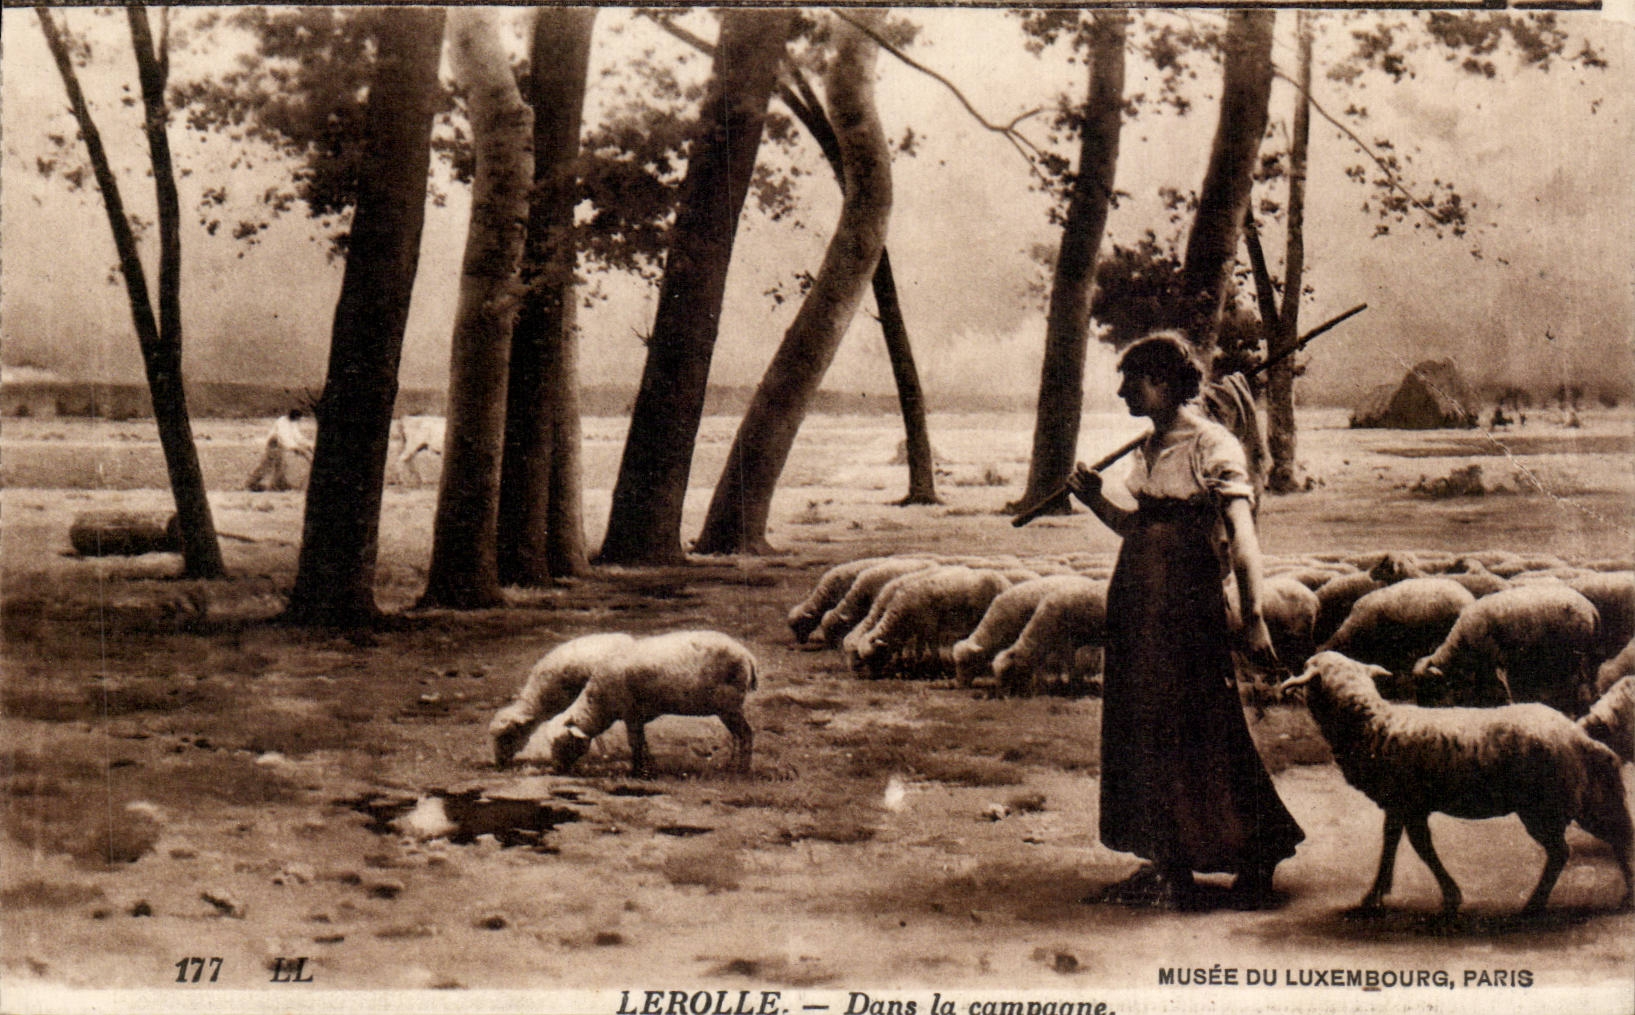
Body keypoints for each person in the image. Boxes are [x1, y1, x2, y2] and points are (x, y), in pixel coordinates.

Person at [1066, 332, 1304, 911]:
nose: (1122, 391)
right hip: (1137, 606)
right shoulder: (1148, 447)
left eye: (1134, 380)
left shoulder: (1212, 444)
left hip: (1187, 608)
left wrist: (1253, 616)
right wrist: (1096, 500)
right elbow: (1139, 530)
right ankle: (1170, 864)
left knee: (1201, 725)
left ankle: (1256, 853)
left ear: (1167, 383)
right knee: (1143, 729)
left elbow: (1242, 536)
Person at [245, 408, 312, 492]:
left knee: (281, 465)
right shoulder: (282, 422)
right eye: (297, 418)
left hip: (281, 445)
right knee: (267, 465)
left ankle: (279, 484)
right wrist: (296, 447)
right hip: (274, 444)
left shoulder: (293, 422)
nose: (298, 421)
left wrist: (307, 444)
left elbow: (297, 436)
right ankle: (251, 483)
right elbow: (284, 438)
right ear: (292, 416)